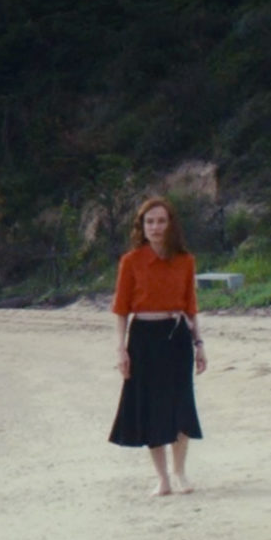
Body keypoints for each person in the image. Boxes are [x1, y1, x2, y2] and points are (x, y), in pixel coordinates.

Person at [108, 196, 207, 495]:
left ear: (170, 224)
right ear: (142, 226)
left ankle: (180, 473)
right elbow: (121, 309)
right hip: (143, 338)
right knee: (151, 407)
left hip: (176, 336)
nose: (155, 227)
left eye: (161, 221)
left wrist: (199, 344)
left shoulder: (185, 261)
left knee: (180, 404)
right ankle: (162, 478)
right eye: (149, 221)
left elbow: (191, 306)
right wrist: (121, 349)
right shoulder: (131, 261)